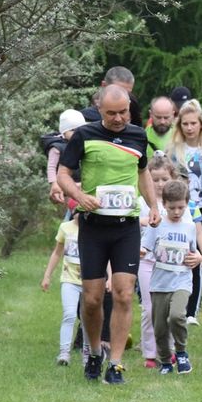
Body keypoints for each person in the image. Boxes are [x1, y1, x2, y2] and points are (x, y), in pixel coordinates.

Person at [57, 84, 159, 384]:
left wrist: (153, 206)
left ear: (130, 108)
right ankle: (92, 352)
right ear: (99, 109)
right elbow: (63, 174)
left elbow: (143, 172)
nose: (118, 119)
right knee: (91, 299)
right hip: (93, 225)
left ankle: (115, 364)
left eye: (123, 112)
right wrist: (79, 195)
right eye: (111, 113)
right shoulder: (84, 136)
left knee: (125, 293)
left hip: (126, 227)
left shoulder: (139, 136)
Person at [140, 178, 202, 375]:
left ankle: (182, 352)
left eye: (181, 207)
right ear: (164, 205)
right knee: (159, 327)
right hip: (159, 283)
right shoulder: (156, 225)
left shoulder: (189, 226)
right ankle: (166, 361)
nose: (177, 212)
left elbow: (193, 252)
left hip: (182, 281)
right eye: (172, 207)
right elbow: (145, 248)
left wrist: (198, 258)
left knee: (177, 316)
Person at [40, 212, 82, 366]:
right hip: (69, 280)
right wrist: (47, 276)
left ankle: (87, 354)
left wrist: (110, 278)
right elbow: (57, 253)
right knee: (69, 315)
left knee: (87, 319)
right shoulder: (65, 227)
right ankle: (64, 353)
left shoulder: (94, 229)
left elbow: (106, 256)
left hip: (90, 281)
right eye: (75, 211)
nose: (79, 214)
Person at [44, 109, 86, 206]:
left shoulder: (83, 143)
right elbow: (51, 167)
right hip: (66, 186)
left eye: (80, 130)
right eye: (72, 130)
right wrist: (54, 183)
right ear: (63, 132)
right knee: (75, 208)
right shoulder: (56, 148)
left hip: (83, 184)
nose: (76, 134)